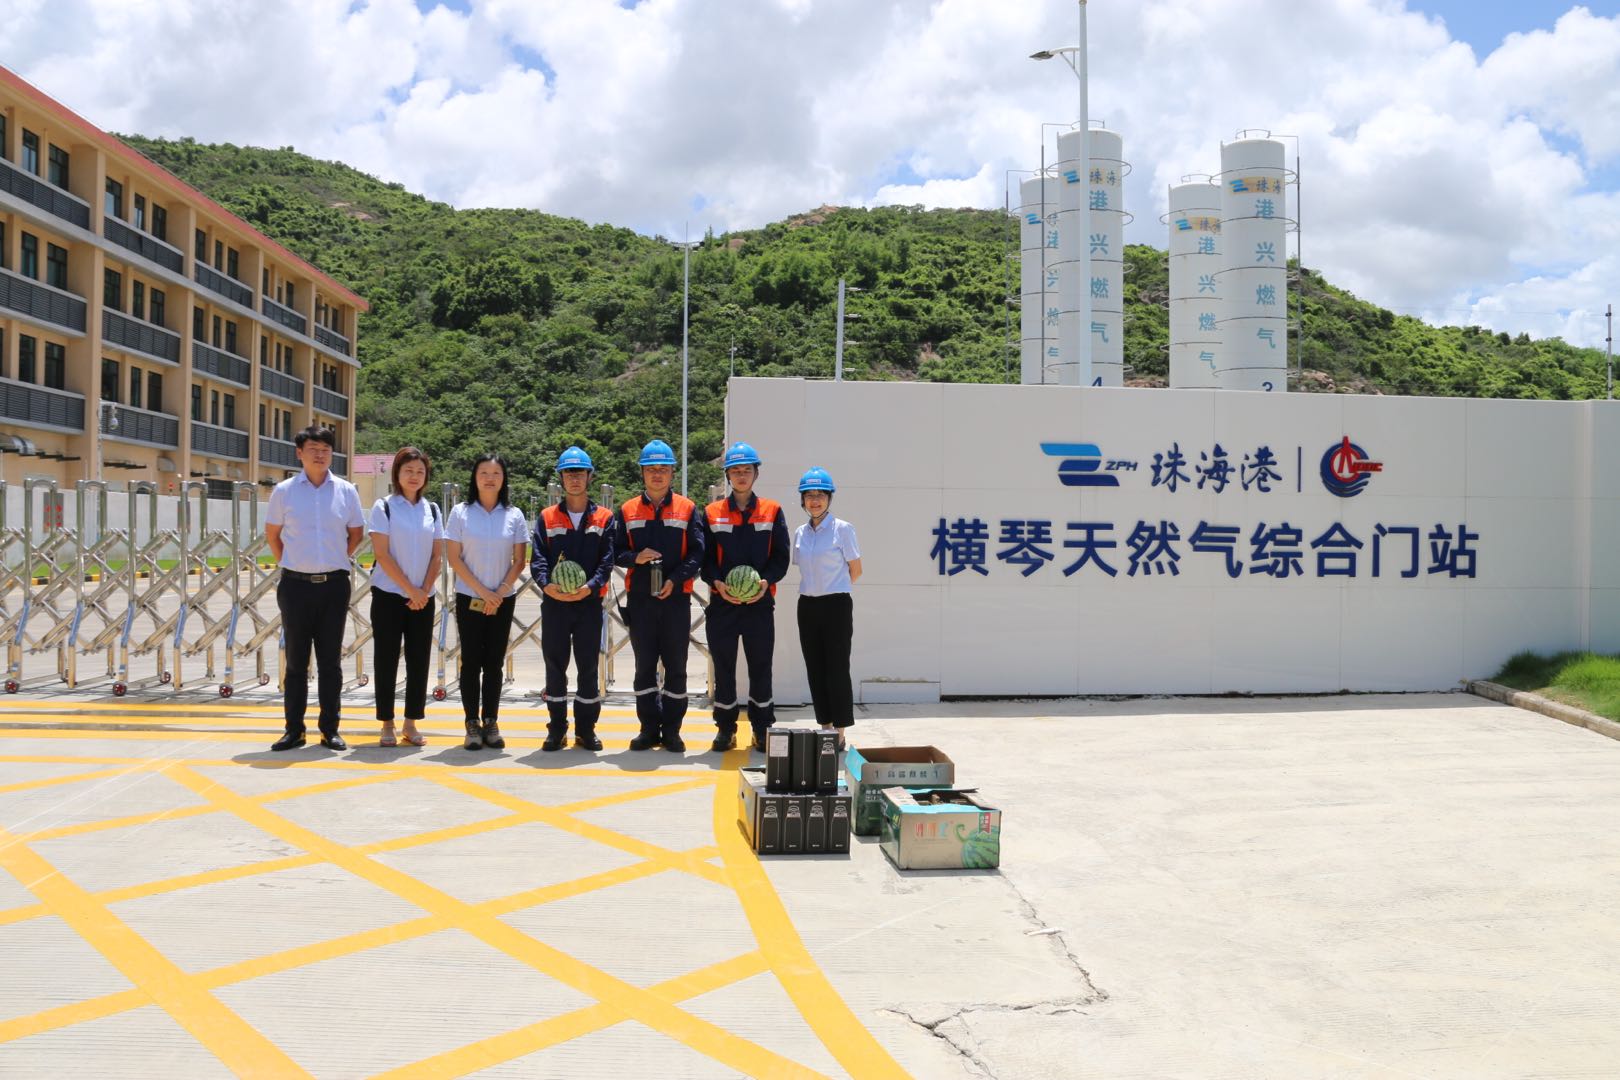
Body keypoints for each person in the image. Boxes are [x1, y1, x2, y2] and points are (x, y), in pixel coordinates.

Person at [265, 424, 364, 751]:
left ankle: (329, 729)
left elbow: (356, 533)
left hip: (334, 586)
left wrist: (336, 558)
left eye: (325, 450)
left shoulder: (346, 491)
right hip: (295, 587)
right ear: (300, 453)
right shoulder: (285, 491)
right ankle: (294, 729)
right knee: (295, 662)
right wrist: (292, 562)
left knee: (330, 663)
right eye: (313, 450)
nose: (320, 455)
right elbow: (273, 534)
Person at [614, 439, 705, 754]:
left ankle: (673, 731)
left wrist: (676, 580)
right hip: (640, 600)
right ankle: (648, 729)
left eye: (663, 469)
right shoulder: (627, 510)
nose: (657, 474)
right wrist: (635, 557)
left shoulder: (687, 508)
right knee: (644, 667)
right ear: (642, 472)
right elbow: (615, 551)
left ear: (672, 473)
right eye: (651, 469)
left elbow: (698, 552)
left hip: (675, 599)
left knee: (676, 666)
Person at [702, 440, 789, 753]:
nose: (741, 475)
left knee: (760, 667)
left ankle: (762, 729)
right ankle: (725, 729)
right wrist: (717, 582)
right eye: (735, 470)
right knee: (724, 668)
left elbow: (781, 556)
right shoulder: (712, 513)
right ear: (727, 475)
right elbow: (705, 558)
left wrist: (766, 582)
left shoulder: (771, 510)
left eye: (746, 470)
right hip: (722, 605)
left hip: (759, 605)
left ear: (756, 474)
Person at [531, 446, 615, 752]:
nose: (574, 479)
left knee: (588, 667)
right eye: (569, 473)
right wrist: (546, 585)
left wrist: (590, 587)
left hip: (588, 603)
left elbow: (607, 560)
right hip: (555, 603)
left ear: (589, 477)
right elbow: (538, 557)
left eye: (579, 473)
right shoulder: (547, 517)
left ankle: (585, 730)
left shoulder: (604, 517)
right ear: (561, 479)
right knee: (555, 666)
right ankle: (557, 729)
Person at [445, 453, 528, 752]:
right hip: (470, 598)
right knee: (470, 662)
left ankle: (491, 721)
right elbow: (454, 558)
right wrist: (483, 592)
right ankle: (471, 723)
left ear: (503, 479)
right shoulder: (460, 513)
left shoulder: (514, 515)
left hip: (503, 599)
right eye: (483, 473)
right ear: (475, 477)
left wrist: (500, 591)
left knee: (494, 663)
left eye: (496, 473)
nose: (490, 479)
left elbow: (519, 560)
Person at [367, 446, 445, 748]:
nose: (414, 476)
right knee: (386, 659)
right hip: (389, 595)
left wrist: (422, 591)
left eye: (420, 471)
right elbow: (382, 554)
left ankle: (411, 723)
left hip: (423, 598)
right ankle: (386, 722)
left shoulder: (433, 510)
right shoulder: (384, 507)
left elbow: (437, 556)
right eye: (408, 470)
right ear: (397, 473)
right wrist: (410, 590)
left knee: (419, 659)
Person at [791, 467, 862, 748]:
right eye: (809, 495)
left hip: (836, 605)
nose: (815, 500)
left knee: (837, 668)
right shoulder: (800, 533)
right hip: (807, 606)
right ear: (802, 500)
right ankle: (825, 727)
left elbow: (856, 569)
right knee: (815, 668)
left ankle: (840, 733)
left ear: (829, 498)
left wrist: (835, 588)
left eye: (820, 495)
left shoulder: (842, 529)